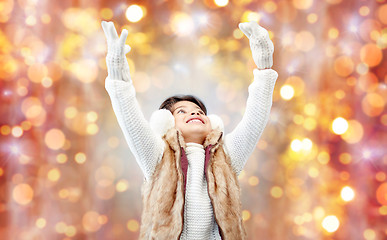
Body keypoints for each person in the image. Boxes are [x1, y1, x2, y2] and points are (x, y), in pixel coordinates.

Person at [102, 20, 278, 240]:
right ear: (166, 123)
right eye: (182, 112)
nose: (194, 114)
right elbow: (130, 120)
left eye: (198, 111)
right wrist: (118, 79)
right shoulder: (158, 156)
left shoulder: (226, 155)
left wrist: (264, 69)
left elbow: (255, 119)